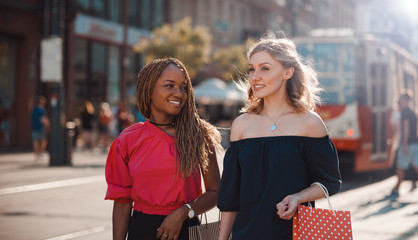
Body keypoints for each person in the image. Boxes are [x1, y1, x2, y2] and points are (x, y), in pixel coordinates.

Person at [217, 35, 342, 240]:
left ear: (287, 72)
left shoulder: (310, 123)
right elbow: (230, 198)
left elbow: (329, 181)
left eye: (265, 68)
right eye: (251, 69)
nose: (255, 76)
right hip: (247, 234)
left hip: (296, 233)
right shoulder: (241, 125)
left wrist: (298, 197)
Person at [105, 58, 222, 240]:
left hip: (187, 230)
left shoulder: (199, 135)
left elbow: (215, 192)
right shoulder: (128, 139)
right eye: (169, 85)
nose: (179, 93)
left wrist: (184, 212)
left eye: (184, 87)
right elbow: (122, 202)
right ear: (149, 89)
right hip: (141, 231)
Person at [391, 89, 418, 197]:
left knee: (401, 166)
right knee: (416, 165)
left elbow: (406, 128)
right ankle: (396, 188)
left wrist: (404, 143)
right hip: (415, 143)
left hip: (407, 144)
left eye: (401, 99)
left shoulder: (405, 112)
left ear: (404, 100)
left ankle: (396, 189)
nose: (399, 101)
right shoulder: (413, 111)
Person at [31, 96, 49, 161]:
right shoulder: (42, 110)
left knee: (35, 140)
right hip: (41, 127)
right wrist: (47, 126)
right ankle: (41, 152)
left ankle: (36, 153)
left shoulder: (34, 110)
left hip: (34, 127)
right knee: (43, 140)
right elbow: (44, 119)